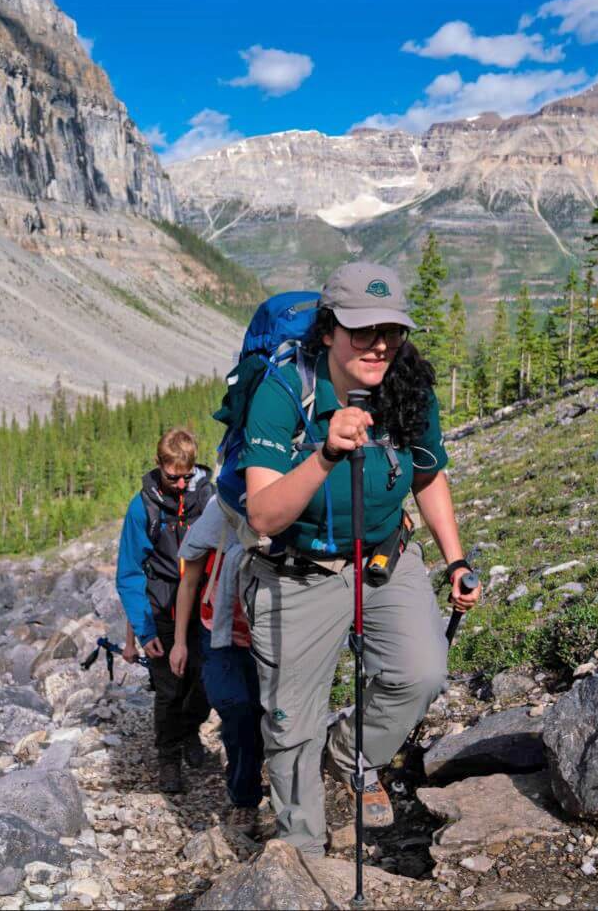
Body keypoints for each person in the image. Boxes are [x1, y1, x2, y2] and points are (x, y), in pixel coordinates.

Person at [237, 261, 481, 855]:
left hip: (383, 557)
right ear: (328, 332)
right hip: (297, 570)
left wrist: (455, 560)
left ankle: (349, 754)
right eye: (362, 331)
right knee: (291, 722)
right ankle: (301, 854)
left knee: (420, 672)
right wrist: (323, 453)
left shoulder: (409, 389)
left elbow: (428, 476)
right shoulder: (281, 391)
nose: (379, 345)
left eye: (391, 331)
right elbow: (264, 515)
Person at [116, 427, 215, 793]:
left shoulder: (208, 497)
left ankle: (189, 729)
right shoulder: (142, 507)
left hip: (205, 605)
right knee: (169, 688)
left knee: (207, 681)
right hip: (161, 608)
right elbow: (129, 573)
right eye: (173, 476)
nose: (179, 484)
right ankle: (168, 756)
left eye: (186, 476)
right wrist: (144, 632)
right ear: (159, 465)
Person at [169, 505, 264, 835]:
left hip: (270, 632)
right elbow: (190, 580)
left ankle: (279, 794)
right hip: (220, 630)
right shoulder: (218, 515)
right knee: (236, 709)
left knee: (267, 714)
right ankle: (245, 800)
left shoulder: (290, 504)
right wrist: (179, 641)